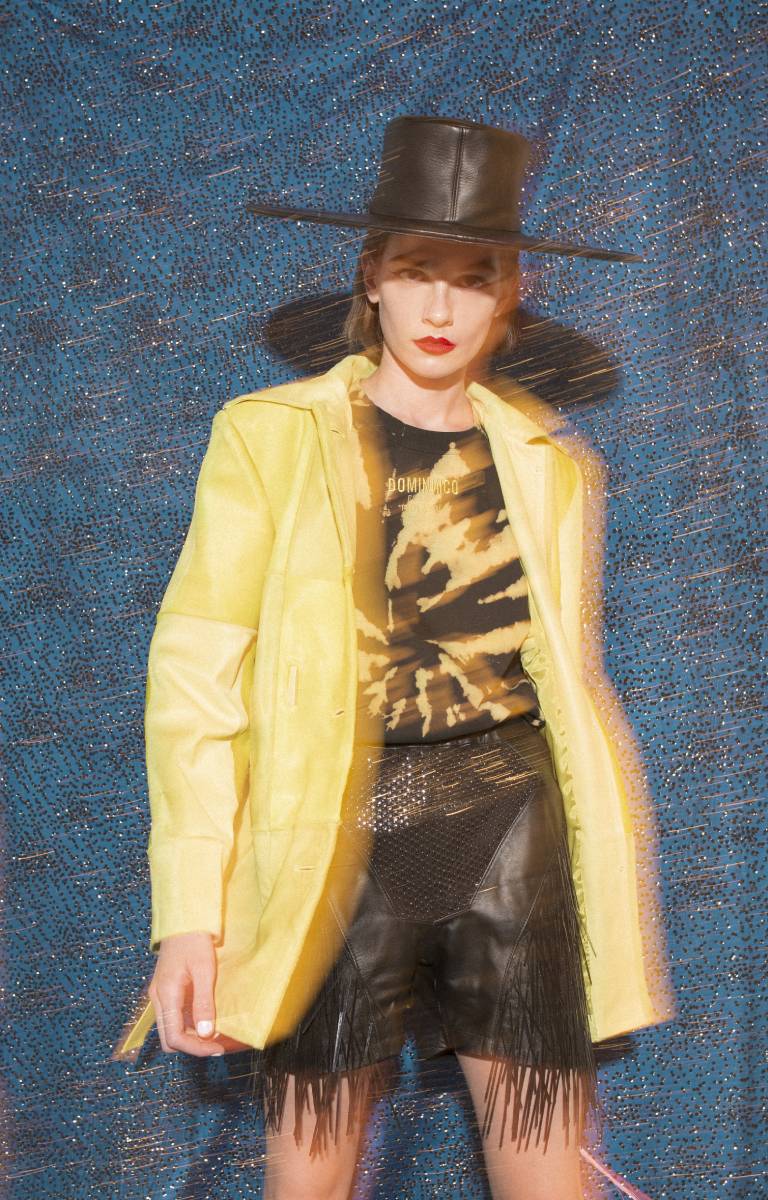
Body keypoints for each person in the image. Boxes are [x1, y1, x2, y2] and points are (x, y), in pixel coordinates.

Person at [116, 116, 674, 1200]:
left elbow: (567, 679)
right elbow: (194, 674)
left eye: (472, 278)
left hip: (508, 824)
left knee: (545, 1175)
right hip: (335, 834)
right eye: (416, 271)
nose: (439, 309)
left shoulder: (550, 463)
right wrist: (190, 912)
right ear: (370, 276)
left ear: (510, 292)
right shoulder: (270, 437)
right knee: (309, 1177)